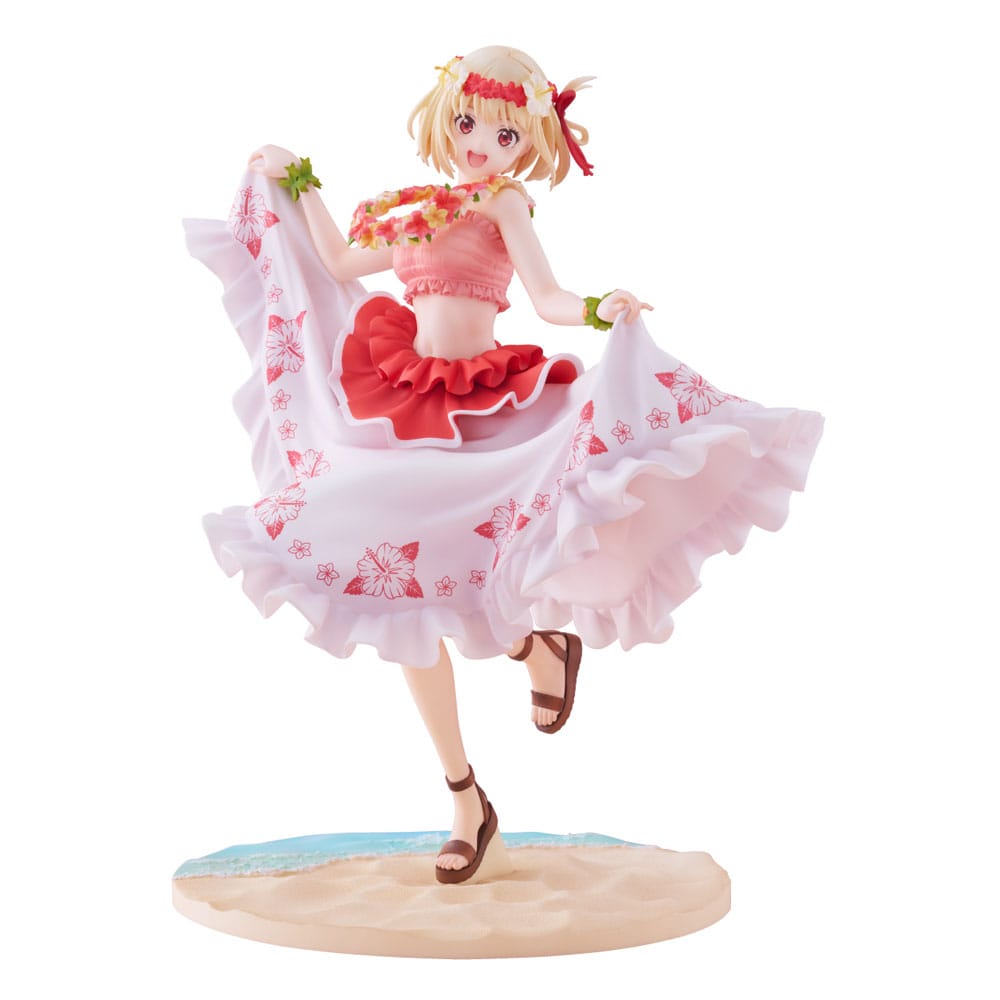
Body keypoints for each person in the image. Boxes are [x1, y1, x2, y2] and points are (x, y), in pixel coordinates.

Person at [186, 45, 824, 884]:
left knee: (484, 558)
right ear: (442, 121)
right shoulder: (414, 208)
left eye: (502, 133)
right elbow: (338, 263)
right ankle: (468, 797)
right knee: (399, 586)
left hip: (490, 405)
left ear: (528, 142)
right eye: (465, 123)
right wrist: (295, 180)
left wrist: (599, 308)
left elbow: (548, 297)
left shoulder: (504, 202)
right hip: (404, 395)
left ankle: (536, 650)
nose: (479, 143)